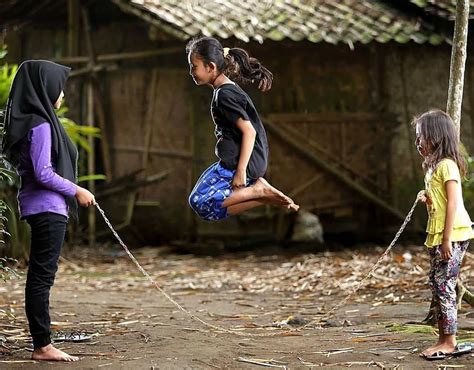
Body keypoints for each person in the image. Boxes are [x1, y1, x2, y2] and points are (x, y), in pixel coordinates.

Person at [2, 60, 95, 362]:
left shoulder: (33, 122)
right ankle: (42, 345)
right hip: (46, 208)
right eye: (60, 88)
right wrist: (77, 189)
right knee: (41, 278)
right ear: (45, 88)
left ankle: (42, 342)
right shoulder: (40, 125)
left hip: (39, 207)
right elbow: (43, 173)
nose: (63, 95)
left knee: (40, 276)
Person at [186, 36, 299, 221]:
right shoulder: (224, 90)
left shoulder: (225, 95)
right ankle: (260, 197)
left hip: (241, 164)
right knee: (206, 209)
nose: (191, 71)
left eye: (193, 66)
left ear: (211, 67)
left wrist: (241, 171)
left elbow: (249, 131)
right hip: (232, 162)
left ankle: (258, 189)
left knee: (199, 201)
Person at [414, 110, 473, 360]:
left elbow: (453, 204)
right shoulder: (433, 168)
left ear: (437, 137)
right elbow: (439, 202)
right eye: (416, 138)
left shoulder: (447, 165)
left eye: (422, 137)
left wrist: (447, 239)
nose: (418, 143)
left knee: (444, 286)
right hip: (438, 234)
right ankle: (443, 338)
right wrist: (427, 197)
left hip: (453, 234)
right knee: (438, 285)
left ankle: (449, 341)